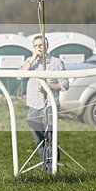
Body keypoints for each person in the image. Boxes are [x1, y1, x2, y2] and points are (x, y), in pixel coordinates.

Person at [20, 35, 70, 172]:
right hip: (33, 105)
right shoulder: (30, 62)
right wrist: (32, 58)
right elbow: (19, 75)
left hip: (50, 104)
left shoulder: (56, 62)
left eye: (41, 45)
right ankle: (45, 165)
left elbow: (65, 84)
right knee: (39, 139)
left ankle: (51, 168)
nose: (39, 48)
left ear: (47, 46)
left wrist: (48, 87)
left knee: (50, 137)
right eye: (36, 46)